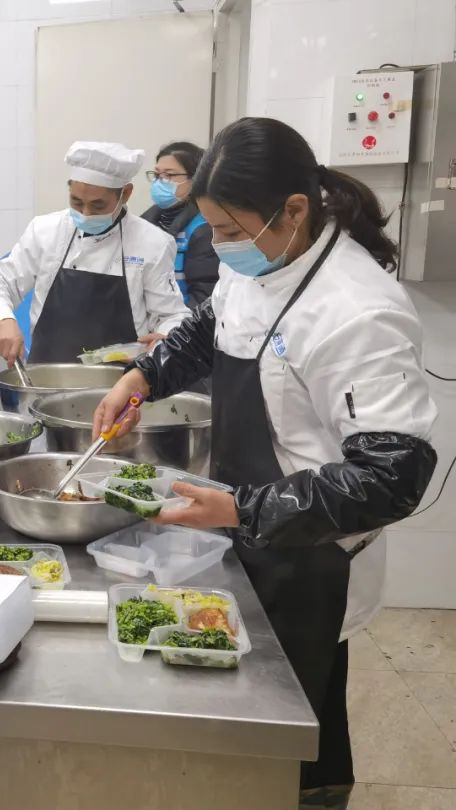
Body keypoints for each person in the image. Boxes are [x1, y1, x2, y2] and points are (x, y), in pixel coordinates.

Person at [93, 117, 438, 809]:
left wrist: (245, 509)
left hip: (314, 553)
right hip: (246, 523)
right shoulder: (261, 256)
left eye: (230, 231)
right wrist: (144, 376)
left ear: (295, 210)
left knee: (297, 705)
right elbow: (209, 326)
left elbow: (392, 475)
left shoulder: (357, 311)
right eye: (214, 229)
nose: (222, 245)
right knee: (260, 700)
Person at [0, 141, 190, 366]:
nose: (86, 213)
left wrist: (164, 338)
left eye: (98, 206)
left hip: (123, 380)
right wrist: (3, 320)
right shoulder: (45, 231)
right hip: (46, 376)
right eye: (77, 202)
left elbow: (172, 315)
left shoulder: (153, 243)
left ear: (126, 194)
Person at [140, 141, 219, 308]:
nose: (160, 182)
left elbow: (204, 296)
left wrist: (174, 322)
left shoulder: (204, 229)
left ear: (196, 178)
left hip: (181, 318)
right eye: (157, 175)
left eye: (169, 175)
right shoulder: (145, 222)